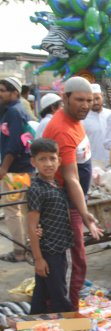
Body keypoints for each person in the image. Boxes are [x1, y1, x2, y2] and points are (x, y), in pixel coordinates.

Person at [42, 77, 103, 309]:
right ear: (64, 98)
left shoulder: (76, 120)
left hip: (75, 202)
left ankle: (68, 305)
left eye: (89, 100)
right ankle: (68, 310)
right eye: (79, 100)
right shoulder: (62, 129)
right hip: (66, 205)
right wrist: (83, 211)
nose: (85, 105)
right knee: (73, 261)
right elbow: (71, 178)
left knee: (78, 261)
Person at [26, 139, 73, 313]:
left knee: (43, 290)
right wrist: (38, 259)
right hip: (49, 251)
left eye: (52, 158)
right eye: (42, 159)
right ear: (33, 162)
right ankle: (70, 326)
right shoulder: (37, 189)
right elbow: (31, 226)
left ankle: (33, 322)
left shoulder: (55, 185)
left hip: (58, 248)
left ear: (59, 161)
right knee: (58, 293)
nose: (48, 164)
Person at [0, 76, 34, 263]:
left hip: (16, 170)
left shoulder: (14, 111)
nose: (0, 93)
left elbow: (14, 144)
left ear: (15, 93)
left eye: (3, 90)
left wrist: (4, 167)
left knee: (13, 210)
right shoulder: (9, 111)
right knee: (20, 209)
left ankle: (19, 252)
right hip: (20, 169)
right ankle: (25, 248)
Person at [82, 84, 111, 168]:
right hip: (93, 164)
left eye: (97, 98)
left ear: (102, 97)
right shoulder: (83, 119)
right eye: (92, 99)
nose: (95, 102)